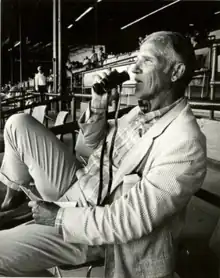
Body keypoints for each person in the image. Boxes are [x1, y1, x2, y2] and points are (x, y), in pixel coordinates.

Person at [0, 31, 206, 278]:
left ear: (176, 72)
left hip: (97, 228)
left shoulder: (185, 144)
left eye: (147, 61)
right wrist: (99, 107)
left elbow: (126, 221)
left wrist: (59, 216)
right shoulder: (138, 113)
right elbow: (87, 147)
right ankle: (14, 197)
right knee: (18, 123)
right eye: (136, 59)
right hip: (80, 184)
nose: (134, 69)